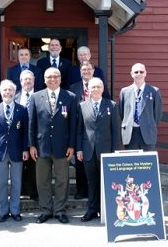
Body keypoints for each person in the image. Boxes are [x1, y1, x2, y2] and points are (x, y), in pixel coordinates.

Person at [28, 67, 77, 224]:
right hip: (42, 146)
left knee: (62, 180)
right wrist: (31, 145)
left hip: (62, 146)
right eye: (49, 77)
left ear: (60, 79)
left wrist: (71, 145)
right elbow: (31, 123)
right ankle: (46, 210)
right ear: (44, 79)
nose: (53, 79)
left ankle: (60, 210)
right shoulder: (36, 97)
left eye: (56, 76)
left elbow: (73, 124)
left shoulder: (70, 97)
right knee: (43, 180)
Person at [76, 77, 121, 222]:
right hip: (88, 150)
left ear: (102, 89)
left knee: (105, 182)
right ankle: (92, 210)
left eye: (98, 87)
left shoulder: (112, 105)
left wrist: (115, 152)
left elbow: (116, 131)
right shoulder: (82, 106)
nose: (95, 89)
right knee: (92, 182)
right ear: (88, 89)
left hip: (106, 151)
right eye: (92, 87)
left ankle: (105, 210)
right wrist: (79, 150)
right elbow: (79, 130)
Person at [0, 79, 29, 223]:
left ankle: (15, 211)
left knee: (17, 183)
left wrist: (25, 149)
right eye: (5, 90)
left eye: (10, 90)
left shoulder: (22, 109)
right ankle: (3, 211)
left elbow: (25, 132)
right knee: (2, 183)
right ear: (1, 92)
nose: (7, 92)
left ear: (14, 92)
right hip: (0, 151)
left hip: (17, 151)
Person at [69, 61, 108, 199]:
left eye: (89, 69)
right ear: (80, 72)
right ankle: (81, 190)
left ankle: (98, 193)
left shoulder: (99, 85)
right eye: (84, 70)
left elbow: (106, 101)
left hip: (95, 127)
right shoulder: (73, 87)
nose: (86, 72)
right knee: (80, 162)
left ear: (93, 71)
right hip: (79, 126)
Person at [119, 63, 163, 151]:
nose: (139, 74)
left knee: (147, 163)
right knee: (131, 162)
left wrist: (149, 124)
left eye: (141, 72)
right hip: (130, 133)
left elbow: (157, 114)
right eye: (136, 72)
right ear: (131, 74)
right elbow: (122, 112)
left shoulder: (154, 91)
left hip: (147, 133)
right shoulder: (124, 92)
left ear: (145, 73)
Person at [14, 70, 38, 201]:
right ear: (20, 81)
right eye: (25, 79)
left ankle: (34, 192)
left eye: (30, 79)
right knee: (19, 164)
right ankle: (22, 190)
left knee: (34, 166)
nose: (27, 81)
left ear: (34, 81)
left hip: (35, 136)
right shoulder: (15, 96)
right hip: (18, 136)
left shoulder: (40, 95)